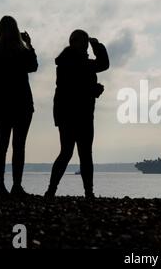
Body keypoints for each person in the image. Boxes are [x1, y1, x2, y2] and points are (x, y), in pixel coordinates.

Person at [45, 29, 109, 198]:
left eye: (86, 45)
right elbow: (73, 88)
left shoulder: (72, 62)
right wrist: (93, 90)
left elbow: (102, 65)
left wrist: (96, 45)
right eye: (84, 44)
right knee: (77, 153)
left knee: (75, 153)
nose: (86, 47)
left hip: (76, 114)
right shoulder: (72, 63)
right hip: (74, 115)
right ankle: (79, 191)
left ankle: (57, 190)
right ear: (75, 43)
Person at [0, 16, 38, 197]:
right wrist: (29, 45)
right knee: (18, 145)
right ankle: (16, 185)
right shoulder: (23, 52)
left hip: (1, 103)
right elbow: (33, 66)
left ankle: (0, 185)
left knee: (1, 144)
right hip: (22, 103)